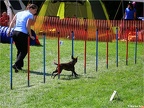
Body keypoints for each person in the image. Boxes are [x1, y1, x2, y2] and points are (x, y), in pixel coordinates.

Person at [7, 4, 38, 72]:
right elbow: (27, 25)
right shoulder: (30, 15)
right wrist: (30, 35)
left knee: (20, 50)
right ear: (31, 9)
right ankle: (16, 64)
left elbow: (12, 21)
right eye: (35, 10)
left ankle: (19, 66)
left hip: (15, 32)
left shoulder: (19, 13)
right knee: (24, 51)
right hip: (22, 33)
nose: (35, 12)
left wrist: (9, 30)